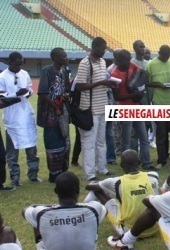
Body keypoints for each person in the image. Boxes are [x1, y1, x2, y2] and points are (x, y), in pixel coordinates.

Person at [84, 150, 159, 239]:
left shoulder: (116, 182)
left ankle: (84, 213)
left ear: (122, 165)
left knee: (96, 190)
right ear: (139, 163)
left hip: (130, 232)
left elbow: (88, 186)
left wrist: (98, 183)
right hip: (154, 228)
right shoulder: (153, 176)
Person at [23, 171, 107, 250]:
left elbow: (26, 210)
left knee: (36, 220)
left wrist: (53, 207)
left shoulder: (41, 213)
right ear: (78, 190)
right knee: (93, 221)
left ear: (56, 191)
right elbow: (106, 209)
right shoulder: (94, 209)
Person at [76, 37, 115, 180]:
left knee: (100, 142)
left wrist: (108, 83)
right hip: (89, 110)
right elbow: (80, 86)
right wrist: (101, 82)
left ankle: (102, 168)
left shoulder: (103, 62)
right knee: (89, 143)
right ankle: (90, 174)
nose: (104, 51)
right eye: (102, 48)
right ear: (94, 47)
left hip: (102, 107)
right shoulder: (85, 63)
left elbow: (100, 83)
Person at [0, 52, 40, 187]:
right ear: (10, 63)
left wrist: (27, 93)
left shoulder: (24, 73)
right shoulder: (2, 77)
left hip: (26, 115)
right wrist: (16, 94)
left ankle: (33, 175)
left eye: (21, 64)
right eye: (17, 64)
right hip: (12, 119)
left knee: (31, 148)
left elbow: (30, 89)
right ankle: (15, 178)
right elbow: (2, 98)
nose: (19, 67)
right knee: (12, 153)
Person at [111, 49, 152, 170]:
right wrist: (134, 95)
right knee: (126, 141)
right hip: (125, 109)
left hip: (137, 107)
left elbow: (142, 72)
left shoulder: (132, 66)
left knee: (144, 138)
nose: (129, 62)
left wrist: (139, 86)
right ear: (119, 60)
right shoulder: (114, 74)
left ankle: (146, 163)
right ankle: (127, 165)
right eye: (126, 60)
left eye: (129, 59)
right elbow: (116, 97)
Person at [37, 47, 71, 183]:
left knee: (64, 142)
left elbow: (66, 89)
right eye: (63, 56)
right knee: (53, 143)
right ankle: (54, 174)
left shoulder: (63, 72)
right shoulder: (47, 71)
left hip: (61, 113)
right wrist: (54, 107)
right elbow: (42, 93)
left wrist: (66, 97)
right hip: (49, 114)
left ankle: (62, 171)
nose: (66, 58)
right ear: (56, 58)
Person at [146, 45, 170, 169]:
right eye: (164, 56)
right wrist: (159, 85)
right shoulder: (151, 64)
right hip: (159, 103)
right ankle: (162, 160)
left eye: (168, 56)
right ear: (159, 53)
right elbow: (146, 82)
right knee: (161, 134)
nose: (166, 58)